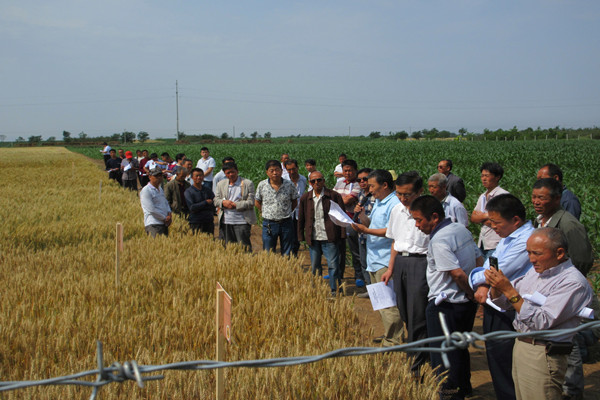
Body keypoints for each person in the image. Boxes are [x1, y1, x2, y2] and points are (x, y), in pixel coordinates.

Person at [486, 227, 593, 400]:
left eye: (537, 253)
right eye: (528, 253)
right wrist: (496, 287)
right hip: (522, 345)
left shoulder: (573, 283)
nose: (531, 259)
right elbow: (504, 303)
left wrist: (509, 290)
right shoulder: (536, 272)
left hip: (543, 353)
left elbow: (541, 321)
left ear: (559, 253)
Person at [410, 195, 480, 400]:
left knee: (443, 358)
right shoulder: (460, 229)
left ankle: (449, 395)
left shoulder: (439, 240)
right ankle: (464, 388)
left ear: (434, 217)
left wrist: (470, 292)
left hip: (445, 305)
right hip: (465, 304)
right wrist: (473, 292)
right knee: (460, 347)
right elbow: (478, 258)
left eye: (419, 220)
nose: (416, 225)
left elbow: (456, 273)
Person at [531, 178, 593, 399]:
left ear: (557, 199)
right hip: (545, 293)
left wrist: (565, 285)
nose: (536, 202)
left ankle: (571, 392)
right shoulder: (541, 221)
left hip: (563, 293)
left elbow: (582, 259)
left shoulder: (568, 224)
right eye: (534, 197)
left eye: (542, 198)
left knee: (568, 343)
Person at [469, 194, 535, 400]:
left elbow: (499, 271)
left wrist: (479, 278)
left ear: (515, 220)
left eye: (496, 222)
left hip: (510, 309)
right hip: (495, 304)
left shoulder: (525, 240)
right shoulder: (508, 237)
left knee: (506, 364)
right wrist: (483, 281)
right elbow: (490, 265)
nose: (492, 226)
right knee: (497, 361)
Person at [381, 171, 429, 373]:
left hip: (422, 262)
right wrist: (391, 268)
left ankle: (417, 364)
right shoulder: (396, 210)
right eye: (399, 194)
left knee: (418, 314)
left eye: (407, 194)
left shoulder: (429, 212)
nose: (402, 198)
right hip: (401, 262)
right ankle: (417, 354)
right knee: (405, 312)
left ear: (420, 191)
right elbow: (395, 241)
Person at [352, 170, 404, 346]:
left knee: (389, 303)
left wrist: (366, 230)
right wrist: (361, 217)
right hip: (374, 259)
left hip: (385, 259)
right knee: (381, 302)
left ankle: (394, 340)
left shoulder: (394, 204)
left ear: (385, 185)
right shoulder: (379, 202)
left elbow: (391, 231)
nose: (370, 189)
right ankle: (389, 334)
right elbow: (372, 224)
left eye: (372, 186)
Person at [297, 171, 345, 295]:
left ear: (324, 181)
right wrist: (301, 235)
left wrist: (342, 234)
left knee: (333, 265)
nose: (316, 183)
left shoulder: (334, 196)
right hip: (313, 237)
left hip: (330, 236)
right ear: (310, 183)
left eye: (319, 180)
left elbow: (342, 216)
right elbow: (301, 218)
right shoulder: (305, 198)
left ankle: (336, 290)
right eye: (313, 181)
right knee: (315, 266)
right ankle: (317, 289)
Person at [255, 160, 298, 256]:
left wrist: (286, 211)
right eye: (272, 170)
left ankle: (286, 265)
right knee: (268, 252)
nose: (275, 173)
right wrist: (265, 211)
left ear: (281, 171)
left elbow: (294, 201)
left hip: (286, 223)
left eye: (277, 170)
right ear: (267, 172)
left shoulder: (289, 185)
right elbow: (257, 202)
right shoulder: (262, 185)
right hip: (269, 223)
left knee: (287, 252)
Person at [333, 159, 364, 286]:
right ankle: (338, 273)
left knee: (354, 249)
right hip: (339, 220)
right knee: (338, 248)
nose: (347, 173)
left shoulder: (359, 184)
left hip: (352, 221)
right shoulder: (340, 183)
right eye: (345, 171)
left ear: (355, 170)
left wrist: (340, 199)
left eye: (350, 170)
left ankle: (359, 275)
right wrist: (342, 199)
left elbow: (347, 201)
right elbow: (333, 198)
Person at [214, 161, 256, 252]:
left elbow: (251, 202)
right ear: (225, 174)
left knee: (244, 247)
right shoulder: (221, 184)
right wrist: (223, 203)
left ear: (237, 171)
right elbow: (216, 200)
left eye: (233, 172)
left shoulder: (247, 183)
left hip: (242, 221)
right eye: (228, 173)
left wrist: (236, 205)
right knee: (230, 248)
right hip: (226, 221)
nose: (231, 174)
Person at [471, 162, 509, 259]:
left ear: (497, 177)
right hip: (482, 243)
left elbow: (502, 221)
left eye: (487, 176)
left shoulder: (503, 196)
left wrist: (482, 217)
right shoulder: (482, 196)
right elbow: (473, 218)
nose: (483, 179)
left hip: (496, 243)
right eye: (482, 176)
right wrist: (487, 216)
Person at [354, 167, 374, 288]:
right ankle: (370, 289)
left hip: (373, 236)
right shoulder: (361, 194)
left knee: (373, 265)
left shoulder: (376, 196)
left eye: (365, 179)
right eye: (359, 180)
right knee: (364, 263)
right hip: (362, 235)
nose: (362, 182)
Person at [139, 168, 172, 237]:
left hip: (164, 223)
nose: (159, 178)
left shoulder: (160, 189)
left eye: (160, 176)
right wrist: (164, 218)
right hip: (153, 223)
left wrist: (169, 214)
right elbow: (151, 209)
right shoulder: (146, 190)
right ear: (150, 177)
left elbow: (165, 202)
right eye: (156, 176)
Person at [285, 159, 307, 256]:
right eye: (289, 170)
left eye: (294, 169)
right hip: (287, 212)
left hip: (299, 212)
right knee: (287, 235)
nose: (292, 172)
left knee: (297, 235)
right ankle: (287, 255)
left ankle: (294, 255)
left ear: (297, 168)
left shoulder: (303, 179)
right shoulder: (283, 180)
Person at [184, 168, 215, 234]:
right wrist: (206, 202)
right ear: (192, 177)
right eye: (197, 176)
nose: (199, 178)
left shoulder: (207, 190)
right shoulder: (189, 191)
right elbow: (192, 207)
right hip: (196, 222)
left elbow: (213, 203)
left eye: (200, 175)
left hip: (208, 221)